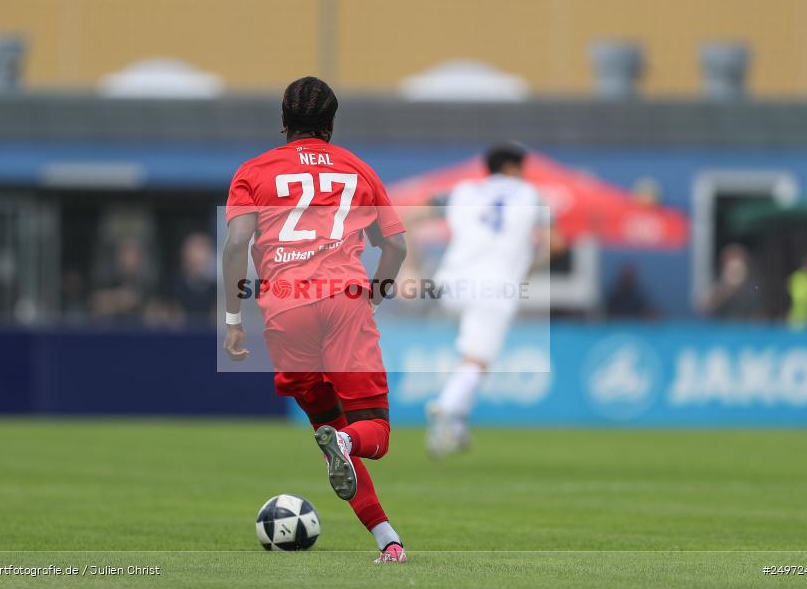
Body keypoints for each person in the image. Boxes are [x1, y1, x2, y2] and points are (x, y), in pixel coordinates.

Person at [221, 77, 409, 564]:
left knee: (329, 429)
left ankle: (388, 540)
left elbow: (237, 244)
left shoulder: (253, 172)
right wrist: (375, 296)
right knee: (373, 435)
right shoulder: (358, 169)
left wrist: (233, 317)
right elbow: (396, 245)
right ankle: (346, 441)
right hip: (344, 301)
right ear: (331, 123)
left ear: (284, 120)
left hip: (285, 310)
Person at [415, 142, 562, 458]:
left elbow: (410, 218)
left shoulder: (462, 190)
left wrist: (410, 268)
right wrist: (527, 270)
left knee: (469, 356)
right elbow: (556, 244)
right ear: (511, 167)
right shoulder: (531, 196)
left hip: (450, 284)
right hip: (495, 287)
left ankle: (457, 426)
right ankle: (446, 408)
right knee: (477, 361)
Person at [702, 244, 760, 320]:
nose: (734, 270)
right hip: (720, 324)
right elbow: (704, 308)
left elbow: (759, 316)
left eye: (737, 268)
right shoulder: (718, 283)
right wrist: (726, 287)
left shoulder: (754, 288)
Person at [170, 232, 216, 325]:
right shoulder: (172, 286)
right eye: (196, 249)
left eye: (203, 249)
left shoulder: (219, 288)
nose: (199, 255)